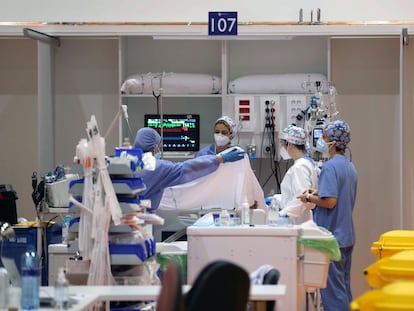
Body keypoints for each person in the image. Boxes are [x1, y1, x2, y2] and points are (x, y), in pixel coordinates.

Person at [297, 120, 357, 311]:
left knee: (332, 293)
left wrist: (309, 197)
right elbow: (337, 193)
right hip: (346, 236)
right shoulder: (348, 166)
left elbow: (330, 202)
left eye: (323, 138)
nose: (321, 141)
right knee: (344, 288)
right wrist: (317, 192)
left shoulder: (330, 167)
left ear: (332, 141)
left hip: (332, 237)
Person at [133, 127, 246, 211]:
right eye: (158, 147)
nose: (158, 150)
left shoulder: (126, 161)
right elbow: (187, 168)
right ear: (154, 147)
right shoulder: (157, 167)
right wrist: (220, 159)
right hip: (139, 218)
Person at [271, 126, 319, 224]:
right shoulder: (308, 163)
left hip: (297, 220)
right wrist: (276, 199)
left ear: (291, 144)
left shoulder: (299, 167)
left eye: (283, 144)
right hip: (302, 218)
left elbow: (301, 199)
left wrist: (282, 215)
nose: (283, 148)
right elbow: (296, 195)